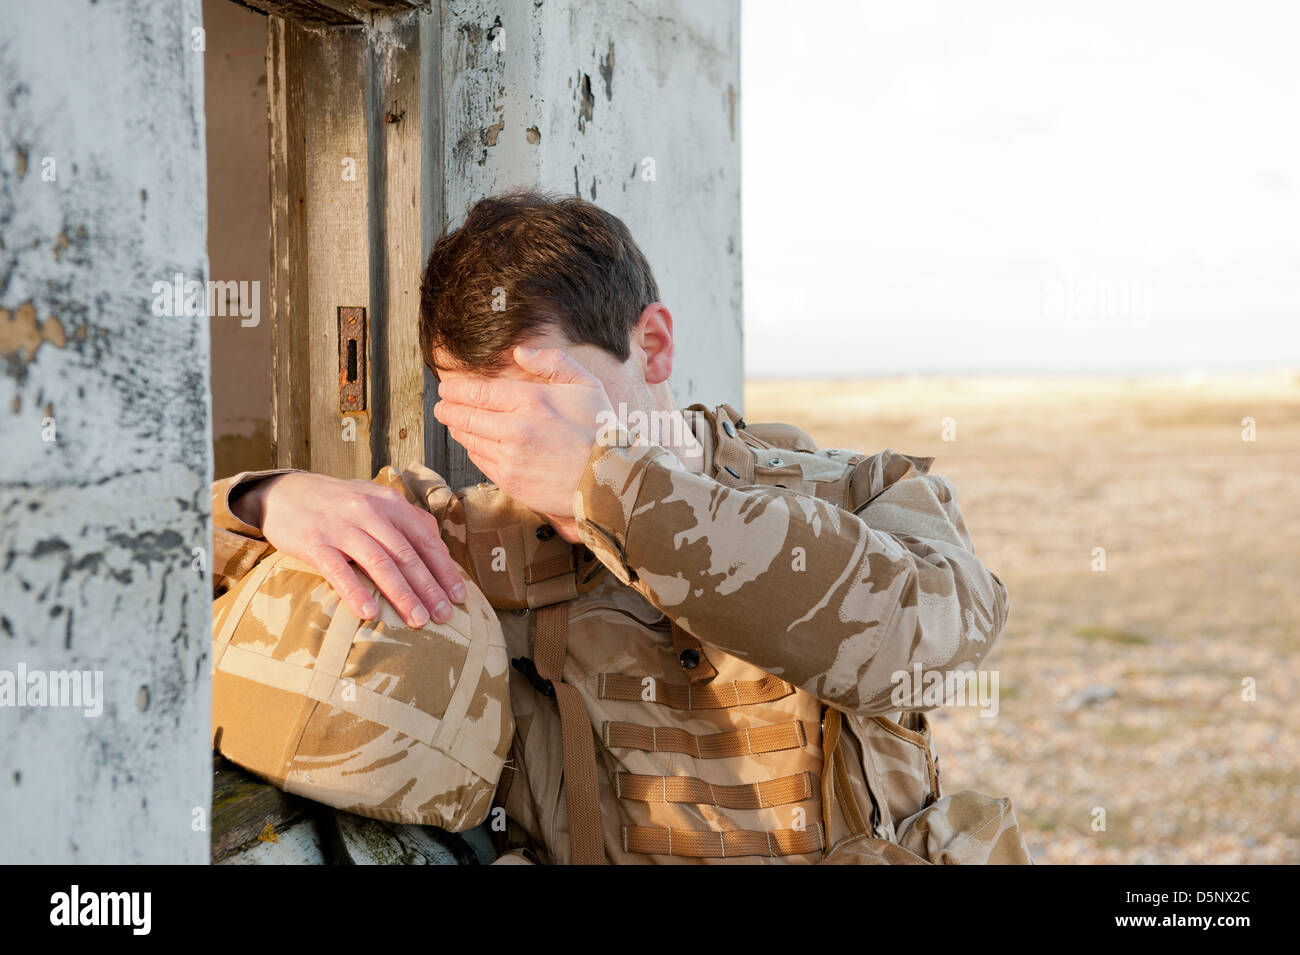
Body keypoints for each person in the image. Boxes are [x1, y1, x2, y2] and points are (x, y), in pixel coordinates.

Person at [210, 191, 1032, 864]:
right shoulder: (474, 537)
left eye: (538, 402)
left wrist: (610, 490)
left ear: (654, 346)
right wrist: (266, 499)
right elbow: (147, 557)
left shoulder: (859, 489)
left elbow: (927, 644)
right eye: (474, 409)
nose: (509, 451)